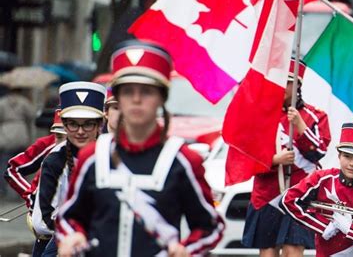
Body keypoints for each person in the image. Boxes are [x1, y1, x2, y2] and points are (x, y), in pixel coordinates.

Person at [56, 40, 224, 256]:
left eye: (146, 91)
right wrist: (73, 235)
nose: (136, 99)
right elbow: (69, 217)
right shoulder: (93, 157)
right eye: (127, 91)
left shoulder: (182, 160)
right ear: (117, 98)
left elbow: (210, 226)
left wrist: (186, 250)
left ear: (161, 98)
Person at [241, 58, 331, 257]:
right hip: (266, 193)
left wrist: (300, 125)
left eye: (287, 81)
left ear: (297, 85)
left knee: (293, 249)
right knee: (268, 251)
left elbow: (319, 151)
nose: (281, 85)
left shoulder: (315, 116)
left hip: (300, 192)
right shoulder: (260, 116)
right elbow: (247, 157)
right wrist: (274, 160)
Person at [281, 123, 353, 256]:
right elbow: (287, 200)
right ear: (339, 156)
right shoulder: (322, 178)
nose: (352, 164)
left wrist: (349, 229)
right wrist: (323, 226)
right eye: (347, 156)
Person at [32, 82, 106, 257]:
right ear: (64, 126)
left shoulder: (114, 154)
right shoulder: (54, 159)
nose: (80, 132)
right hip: (65, 238)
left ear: (99, 125)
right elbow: (42, 220)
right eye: (73, 124)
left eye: (88, 124)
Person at [3, 109, 66, 257]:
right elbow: (13, 170)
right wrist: (31, 194)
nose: (63, 143)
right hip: (47, 228)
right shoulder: (49, 146)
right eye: (58, 136)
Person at [0, 86, 35, 197]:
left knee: (4, 161)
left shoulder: (2, 102)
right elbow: (32, 115)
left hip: (6, 131)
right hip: (21, 131)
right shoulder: (24, 101)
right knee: (22, 163)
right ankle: (21, 189)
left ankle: (3, 189)